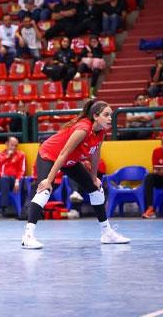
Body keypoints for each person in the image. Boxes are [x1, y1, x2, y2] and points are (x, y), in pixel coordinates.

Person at [21, 99, 130, 249]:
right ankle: (27, 237)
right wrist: (49, 180)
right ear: (95, 116)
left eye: (111, 115)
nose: (110, 118)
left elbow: (96, 154)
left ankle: (107, 234)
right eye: (106, 115)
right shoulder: (83, 129)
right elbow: (63, 154)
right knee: (44, 190)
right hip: (50, 155)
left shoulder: (101, 131)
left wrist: (93, 177)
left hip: (69, 160)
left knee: (96, 189)